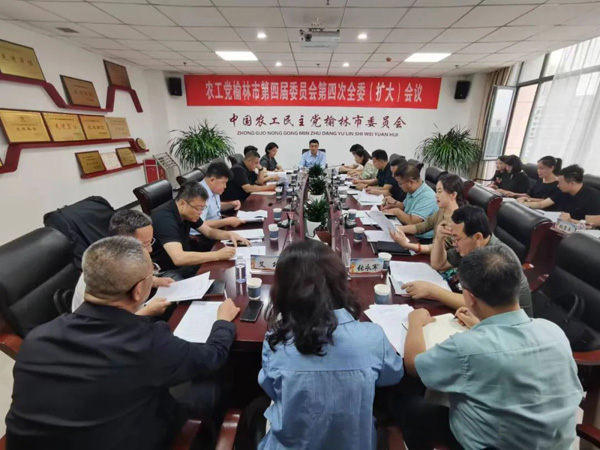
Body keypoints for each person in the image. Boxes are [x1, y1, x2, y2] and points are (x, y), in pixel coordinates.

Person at [6, 236, 241, 450]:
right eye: (151, 274)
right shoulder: (148, 342)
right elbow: (212, 357)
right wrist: (222, 322)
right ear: (138, 291)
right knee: (209, 387)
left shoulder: (37, 338)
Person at [398, 245, 583, 450]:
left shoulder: (467, 347)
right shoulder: (554, 332)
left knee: (411, 406)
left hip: (492, 445)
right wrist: (480, 325)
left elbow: (413, 365)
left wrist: (415, 321)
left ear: (470, 298)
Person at [241, 240, 403, 450]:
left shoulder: (277, 340)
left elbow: (272, 390)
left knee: (254, 409)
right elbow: (393, 376)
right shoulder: (373, 337)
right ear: (340, 283)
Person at [402, 205, 533, 316]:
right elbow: (438, 264)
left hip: (510, 327)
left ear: (477, 237)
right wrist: (440, 239)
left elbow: (477, 305)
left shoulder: (496, 259)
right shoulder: (472, 245)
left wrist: (433, 291)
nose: (454, 244)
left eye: (457, 239)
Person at [71, 209, 174, 313]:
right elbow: (107, 321)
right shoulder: (101, 274)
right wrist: (147, 311)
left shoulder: (125, 260)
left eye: (150, 242)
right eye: (144, 244)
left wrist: (154, 281)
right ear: (123, 242)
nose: (150, 250)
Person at [152, 181, 250, 272]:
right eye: (198, 209)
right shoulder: (164, 219)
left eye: (203, 208)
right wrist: (217, 255)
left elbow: (209, 232)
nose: (200, 213)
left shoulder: (188, 211)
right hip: (167, 271)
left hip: (186, 261)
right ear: (182, 203)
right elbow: (178, 258)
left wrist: (229, 235)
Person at [390, 174, 463, 253]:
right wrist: (397, 228)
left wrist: (406, 244)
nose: (436, 195)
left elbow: (437, 249)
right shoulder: (442, 211)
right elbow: (422, 227)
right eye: (436, 192)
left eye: (440, 192)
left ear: (453, 195)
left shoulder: (456, 221)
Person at [520, 164, 600, 222]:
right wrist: (523, 203)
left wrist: (571, 220)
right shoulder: (563, 191)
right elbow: (541, 204)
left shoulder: (593, 197)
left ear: (572, 183)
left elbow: (590, 224)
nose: (558, 185)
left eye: (560, 183)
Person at [382, 164, 438, 239]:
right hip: (406, 230)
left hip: (420, 239)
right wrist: (393, 204)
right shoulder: (413, 190)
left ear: (411, 182)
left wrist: (396, 211)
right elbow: (405, 206)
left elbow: (413, 222)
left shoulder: (427, 196)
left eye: (400, 183)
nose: (399, 186)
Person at [200, 161, 245, 229]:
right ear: (212, 180)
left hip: (217, 226)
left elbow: (213, 207)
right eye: (223, 183)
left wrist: (231, 204)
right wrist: (226, 222)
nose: (225, 186)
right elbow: (200, 224)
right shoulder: (199, 194)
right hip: (204, 233)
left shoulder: (213, 189)